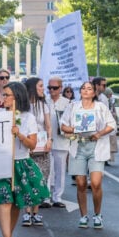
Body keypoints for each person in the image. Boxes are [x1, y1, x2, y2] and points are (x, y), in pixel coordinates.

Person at [0, 82, 50, 237]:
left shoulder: (28, 117)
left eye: (7, 95)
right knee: (5, 200)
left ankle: (9, 235)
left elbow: (32, 144)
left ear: (17, 97)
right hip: (1, 162)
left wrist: (19, 134)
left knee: (15, 203)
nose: (3, 98)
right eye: (3, 94)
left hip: (20, 162)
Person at [60, 81, 116, 230]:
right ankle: (83, 215)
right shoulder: (73, 107)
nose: (85, 91)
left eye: (89, 88)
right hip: (78, 146)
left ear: (94, 93)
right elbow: (62, 125)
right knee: (80, 183)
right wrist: (73, 128)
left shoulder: (101, 108)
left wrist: (99, 134)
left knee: (96, 183)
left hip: (96, 146)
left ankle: (97, 215)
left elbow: (112, 124)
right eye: (83, 88)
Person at [22, 77, 52, 227]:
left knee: (41, 179)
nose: (43, 89)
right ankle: (27, 212)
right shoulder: (24, 106)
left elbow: (48, 125)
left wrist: (50, 140)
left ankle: (36, 212)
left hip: (42, 148)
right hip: (27, 147)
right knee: (28, 179)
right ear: (33, 87)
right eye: (40, 86)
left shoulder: (43, 105)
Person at [46, 76, 70, 208]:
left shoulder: (68, 103)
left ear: (60, 88)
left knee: (60, 171)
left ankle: (57, 197)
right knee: (47, 170)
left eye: (54, 88)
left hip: (62, 141)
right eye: (49, 87)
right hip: (46, 142)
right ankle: (45, 197)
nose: (51, 90)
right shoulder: (44, 101)